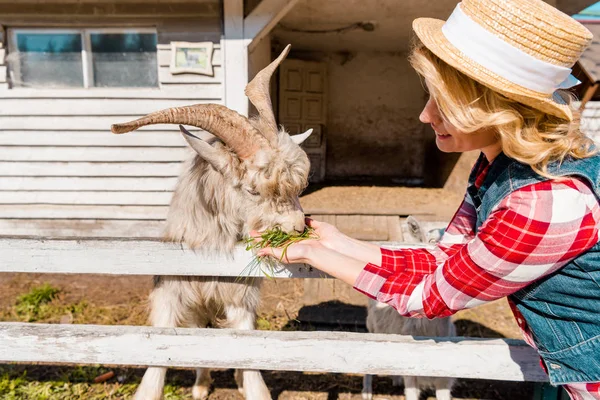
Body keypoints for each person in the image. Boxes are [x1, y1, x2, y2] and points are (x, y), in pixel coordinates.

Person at [255, 0, 600, 398]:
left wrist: (314, 256)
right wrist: (336, 242)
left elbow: (430, 296)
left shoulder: (546, 204)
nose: (424, 114)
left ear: (495, 107)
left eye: (443, 100)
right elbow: (445, 260)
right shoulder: (501, 167)